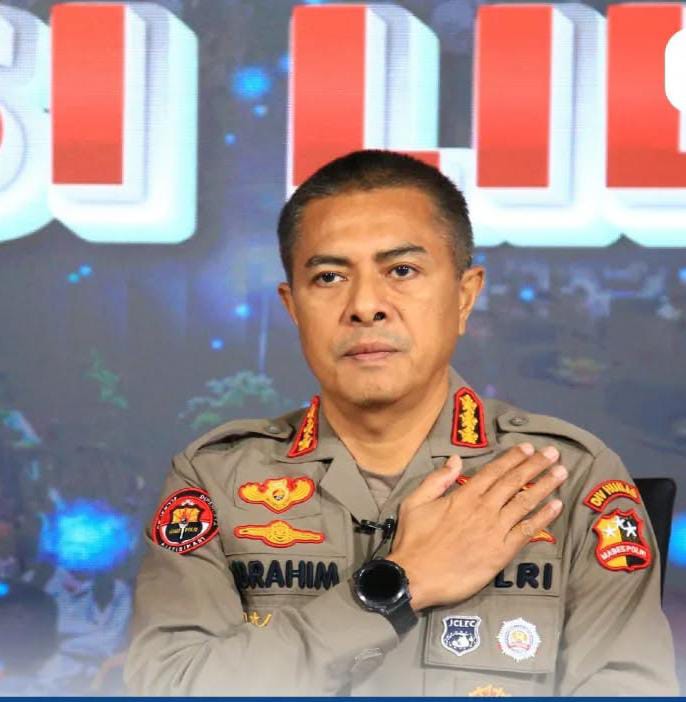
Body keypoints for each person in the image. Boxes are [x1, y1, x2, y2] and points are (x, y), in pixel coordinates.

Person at [125, 150, 678, 696]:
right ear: (292, 307)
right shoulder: (217, 481)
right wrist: (396, 585)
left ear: (465, 295)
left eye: (402, 270)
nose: (366, 305)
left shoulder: (567, 480)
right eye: (329, 277)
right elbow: (170, 687)